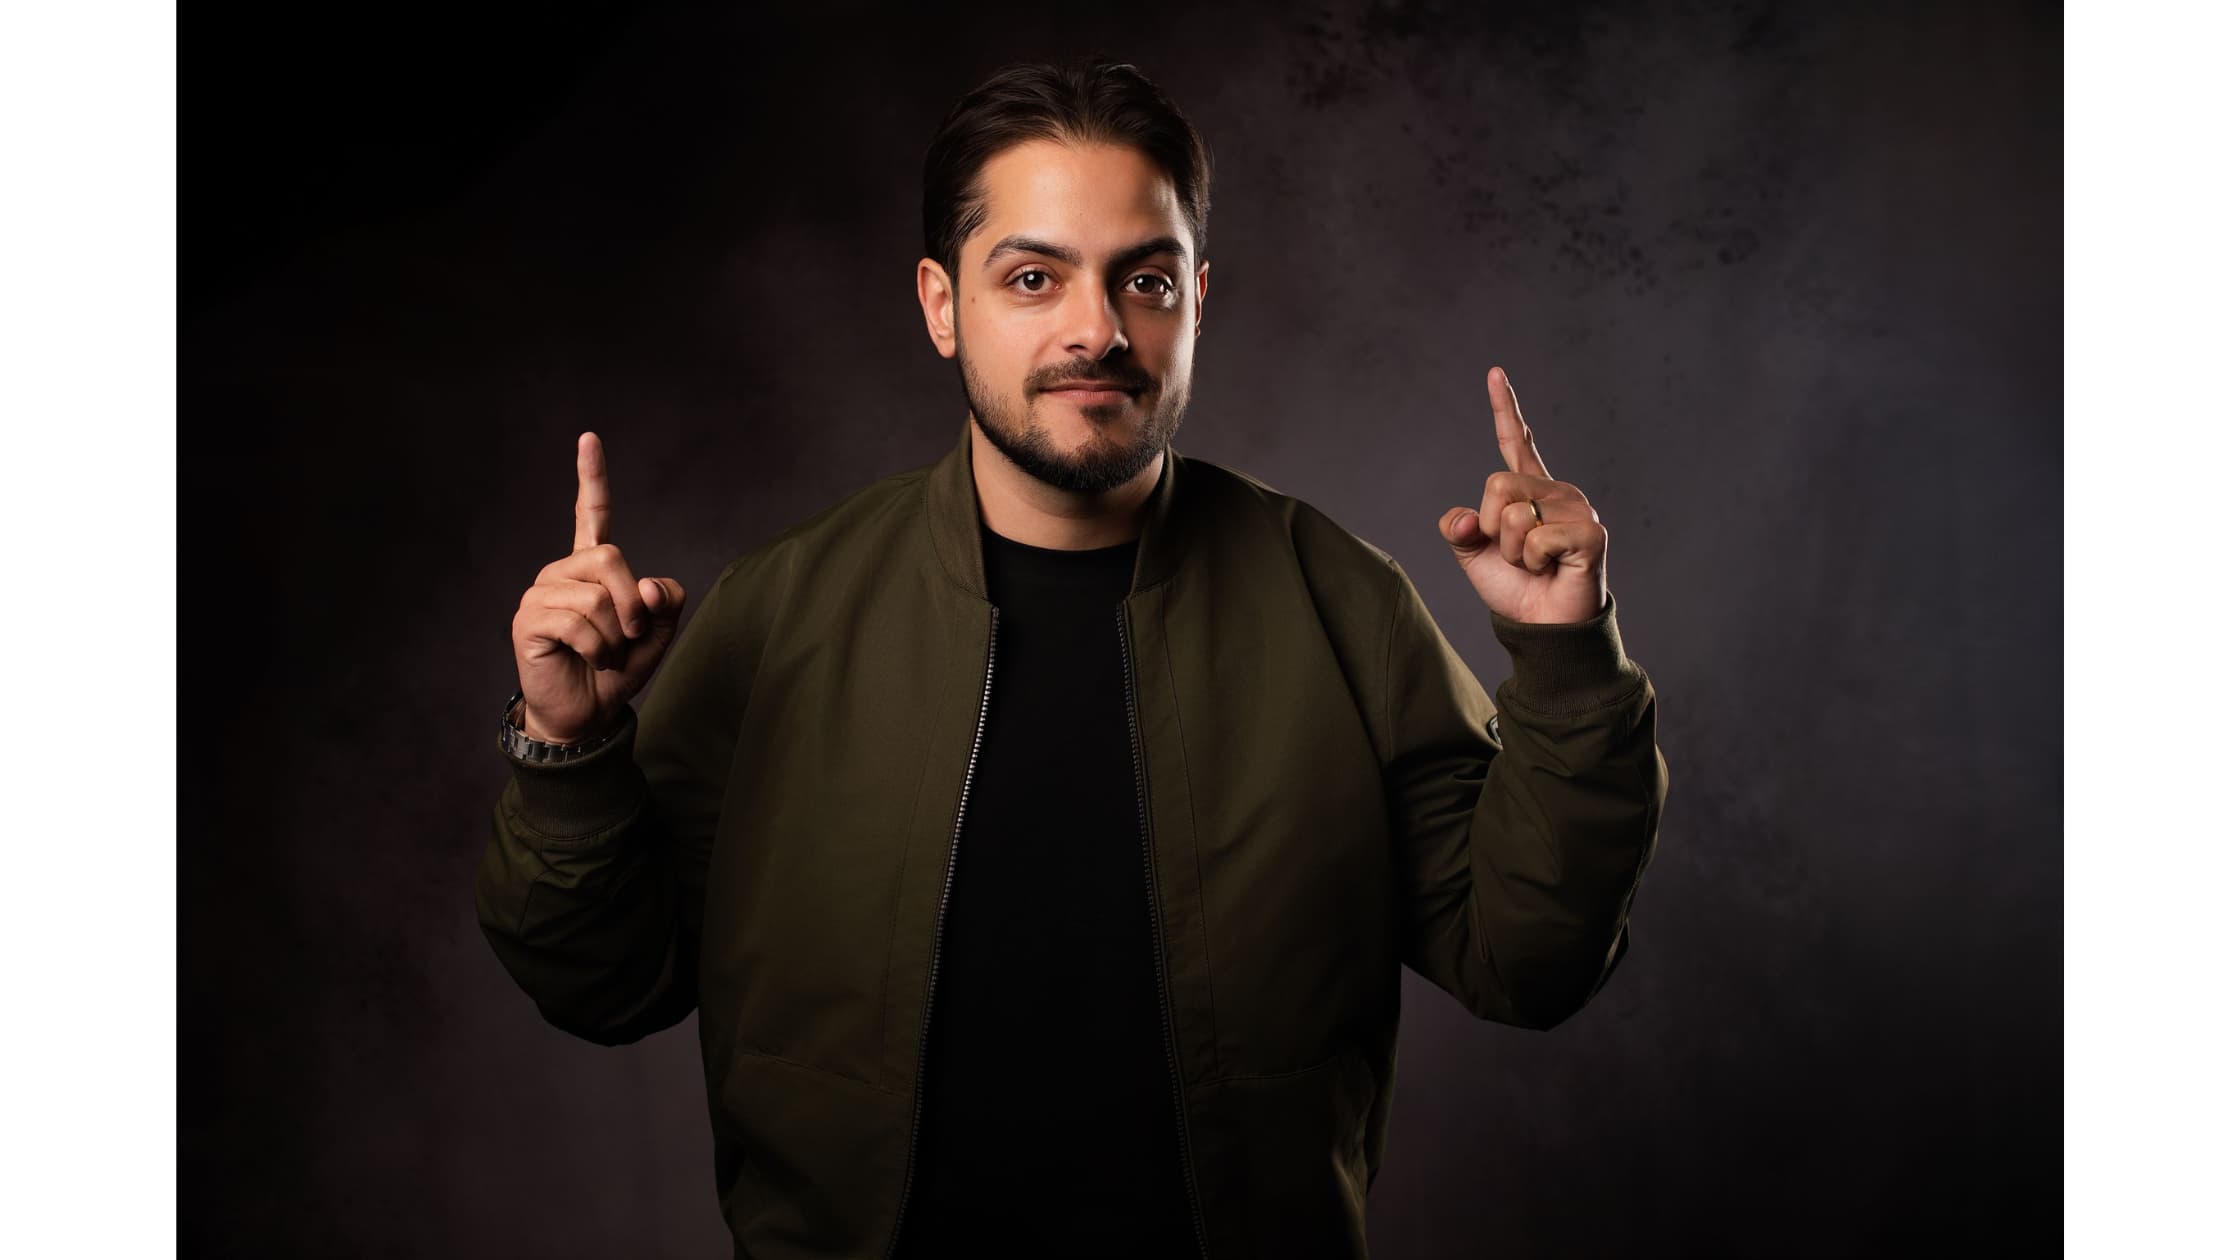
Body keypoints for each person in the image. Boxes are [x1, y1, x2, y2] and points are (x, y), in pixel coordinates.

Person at [476, 54, 1667, 1260]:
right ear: (942, 305)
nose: (1096, 331)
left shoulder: (1338, 603)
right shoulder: (782, 614)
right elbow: (604, 984)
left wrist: (1564, 657)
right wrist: (568, 750)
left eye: (1143, 280)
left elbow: (1527, 961)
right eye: (1033, 278)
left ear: (1196, 301)